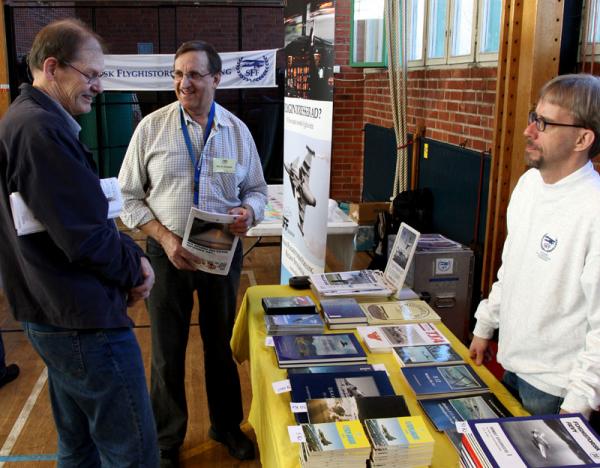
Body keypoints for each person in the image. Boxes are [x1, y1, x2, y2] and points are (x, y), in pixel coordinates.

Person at [0, 19, 159, 467]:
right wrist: (137, 269)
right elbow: (84, 235)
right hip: (81, 321)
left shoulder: (27, 120)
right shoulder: (40, 131)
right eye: (90, 75)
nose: (98, 86)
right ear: (53, 67)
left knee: (78, 445)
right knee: (133, 452)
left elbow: (71, 219)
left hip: (55, 311)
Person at [118, 40, 267, 465]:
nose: (184, 83)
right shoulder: (151, 128)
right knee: (167, 350)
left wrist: (247, 212)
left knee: (220, 344)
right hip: (167, 254)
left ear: (216, 79)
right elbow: (129, 198)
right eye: (178, 74)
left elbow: (257, 190)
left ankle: (225, 426)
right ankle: (166, 440)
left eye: (195, 74)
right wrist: (164, 238)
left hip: (221, 252)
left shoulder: (237, 132)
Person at [469, 74, 600, 418]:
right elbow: (510, 268)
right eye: (533, 117)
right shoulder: (528, 185)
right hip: (509, 364)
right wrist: (485, 325)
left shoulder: (594, 208)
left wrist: (577, 406)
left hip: (555, 391)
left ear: (582, 138)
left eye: (543, 123)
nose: (529, 131)